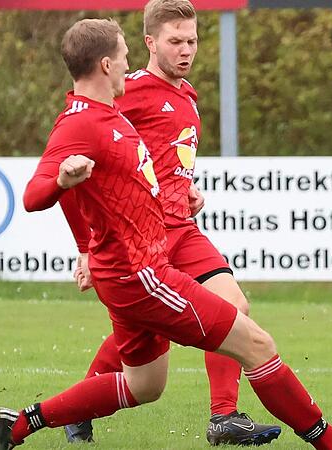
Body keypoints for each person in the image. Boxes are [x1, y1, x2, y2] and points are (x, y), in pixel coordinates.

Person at [0, 17, 332, 450]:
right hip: (140, 271)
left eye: (190, 40)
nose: (130, 66)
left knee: (144, 385)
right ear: (107, 64)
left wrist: (178, 191)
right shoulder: (83, 121)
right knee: (255, 343)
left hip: (132, 267)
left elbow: (128, 175)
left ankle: (19, 424)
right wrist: (66, 192)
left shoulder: (111, 113)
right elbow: (34, 194)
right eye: (125, 56)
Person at [60, 1, 280, 446]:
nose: (185, 50)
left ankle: (224, 417)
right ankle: (79, 405)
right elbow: (88, 146)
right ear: (149, 43)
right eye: (174, 41)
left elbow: (162, 159)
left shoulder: (189, 96)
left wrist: (186, 187)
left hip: (181, 227)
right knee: (147, 331)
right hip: (141, 237)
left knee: (233, 304)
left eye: (192, 41)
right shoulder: (130, 90)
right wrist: (86, 244)